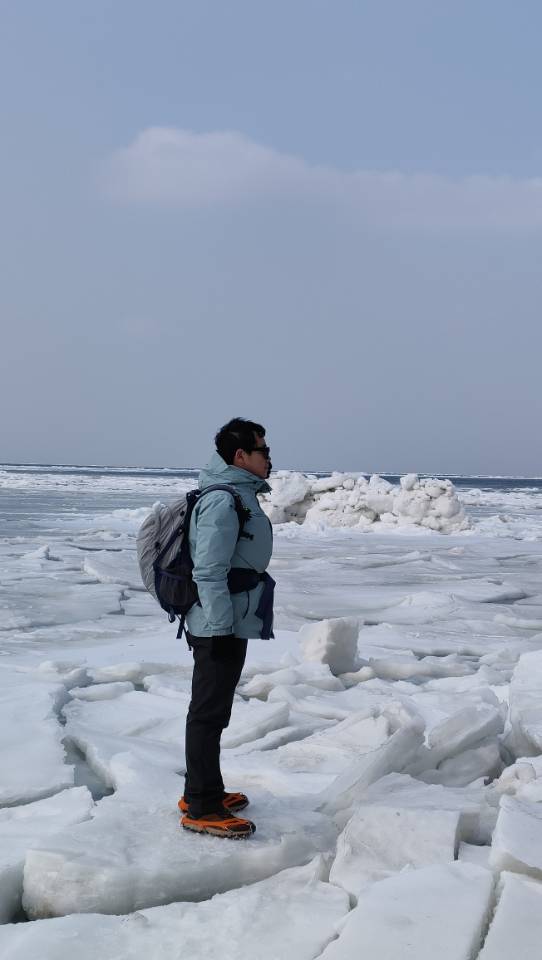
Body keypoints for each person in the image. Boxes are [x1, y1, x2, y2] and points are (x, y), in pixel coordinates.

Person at [179, 417, 274, 838]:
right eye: (263, 450)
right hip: (218, 623)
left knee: (213, 712)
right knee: (207, 713)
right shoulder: (223, 500)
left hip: (229, 619)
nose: (269, 458)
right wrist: (220, 628)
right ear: (240, 456)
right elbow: (209, 571)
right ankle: (201, 806)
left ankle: (203, 791)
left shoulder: (238, 493)